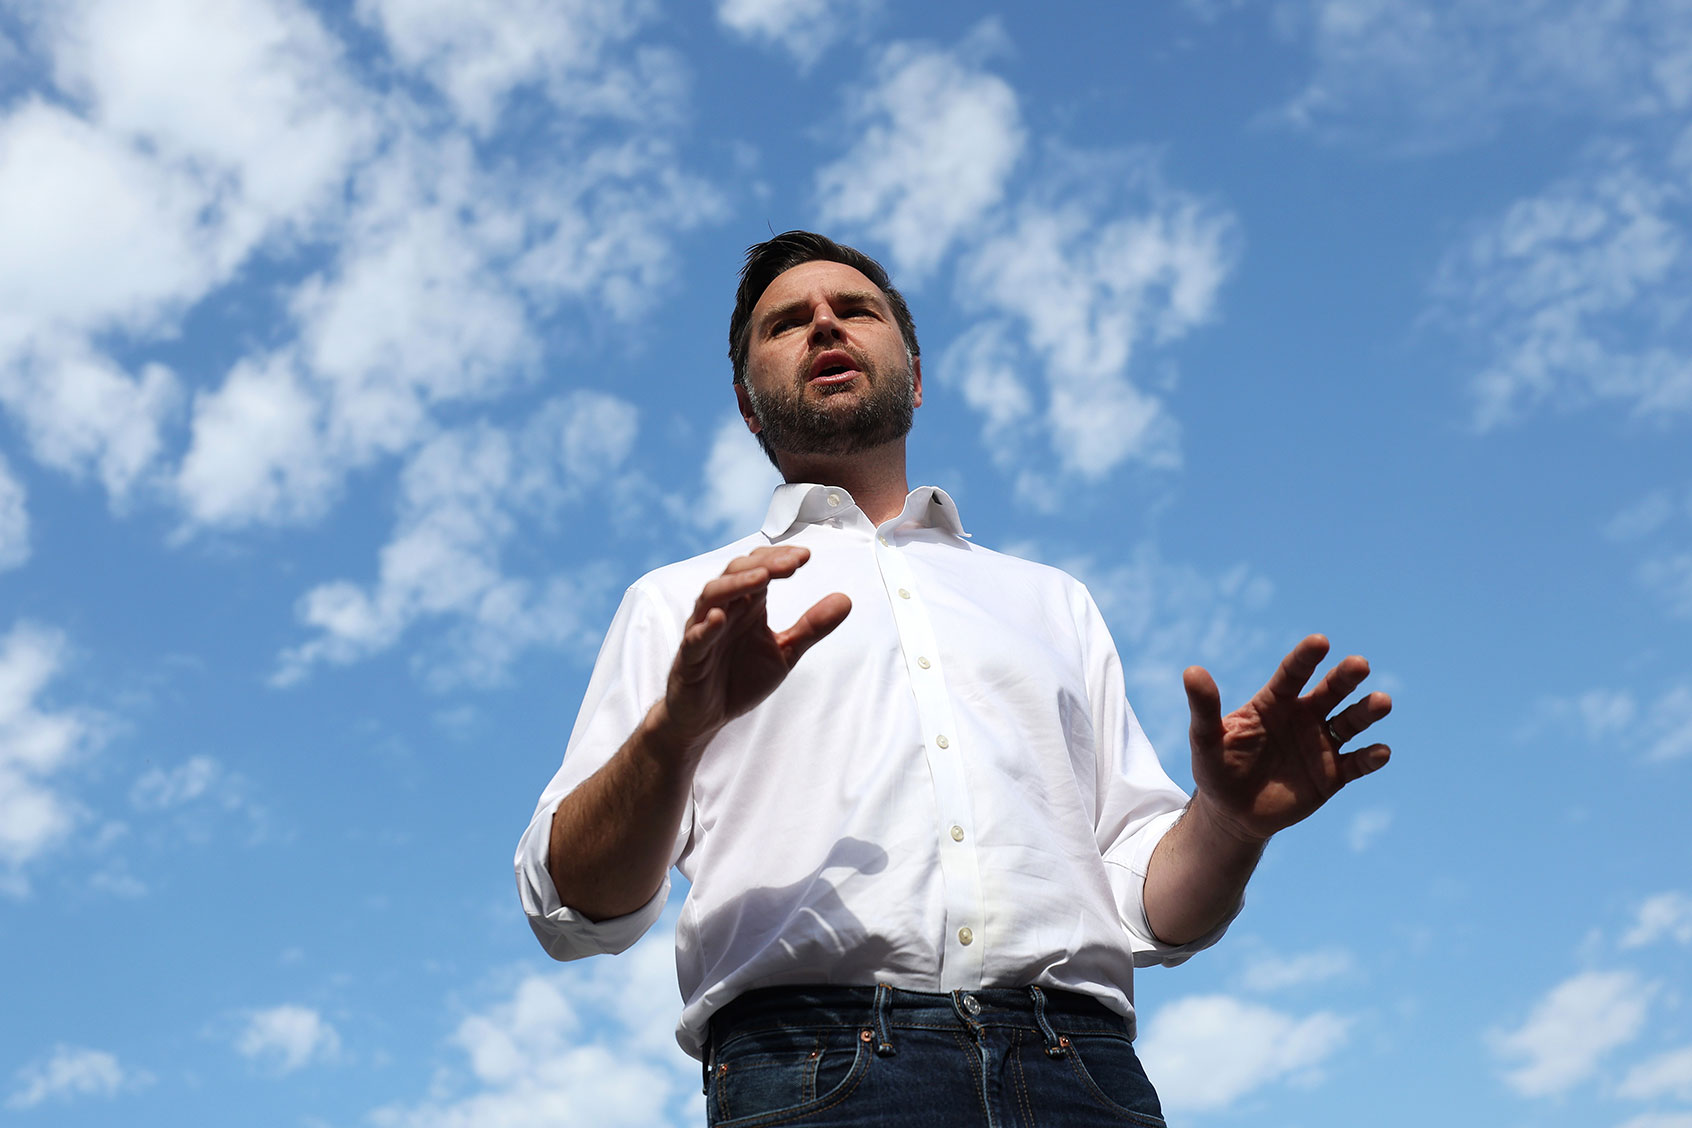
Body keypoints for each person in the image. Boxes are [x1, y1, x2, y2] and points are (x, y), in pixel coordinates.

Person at [515, 231, 1393, 1126]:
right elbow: (576, 908)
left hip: (1083, 1075)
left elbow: (1145, 909)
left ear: (917, 375)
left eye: (856, 310)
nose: (825, 323)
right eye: (787, 323)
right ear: (748, 405)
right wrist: (675, 731)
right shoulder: (685, 604)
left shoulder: (1052, 602)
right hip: (815, 1076)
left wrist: (1231, 824)